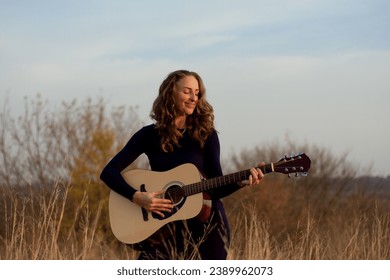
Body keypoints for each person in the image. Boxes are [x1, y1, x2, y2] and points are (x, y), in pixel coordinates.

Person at [100, 70, 264, 260]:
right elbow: (108, 172)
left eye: (197, 92)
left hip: (207, 226)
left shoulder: (206, 135)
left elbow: (216, 187)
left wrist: (241, 181)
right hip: (164, 227)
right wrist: (137, 197)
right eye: (187, 91)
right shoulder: (148, 135)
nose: (193, 97)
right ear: (171, 93)